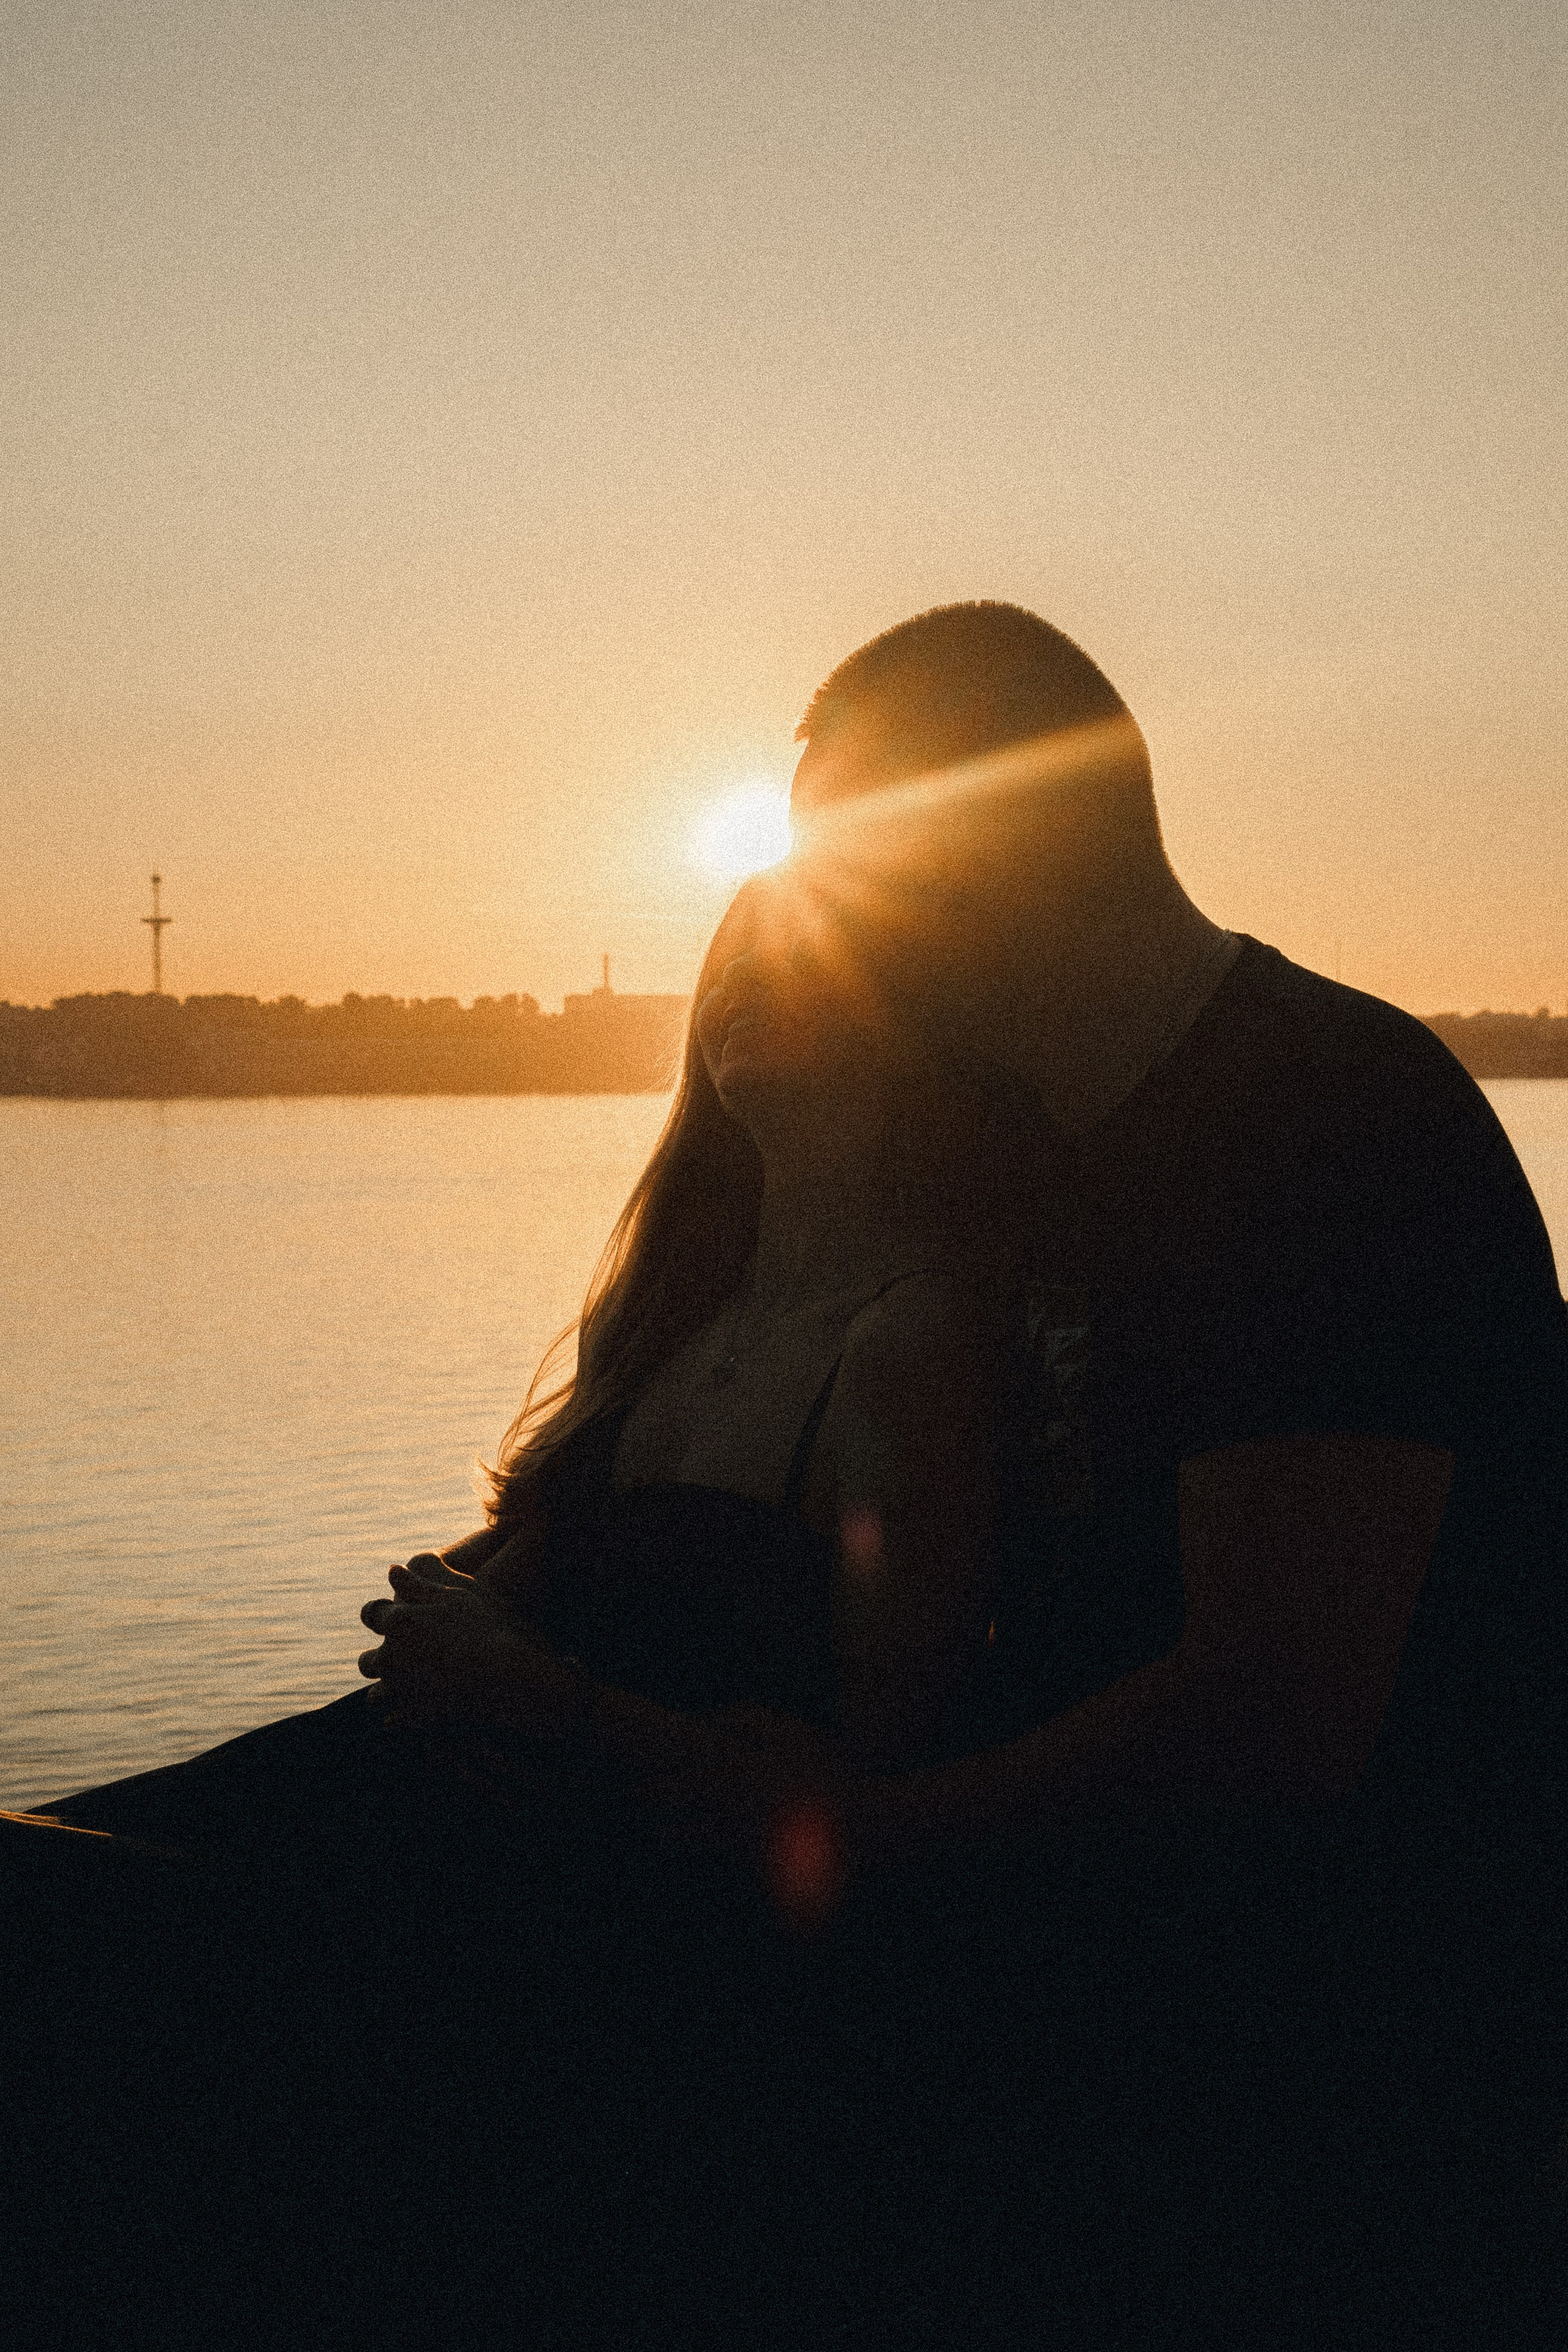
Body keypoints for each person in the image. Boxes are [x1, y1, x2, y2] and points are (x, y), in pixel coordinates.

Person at [20, 871, 1033, 2346]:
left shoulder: (906, 1343)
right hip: (414, 1790)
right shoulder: (677, 1306)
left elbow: (871, 1785)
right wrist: (462, 1605)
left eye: (812, 958)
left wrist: (536, 1695)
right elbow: (523, 1581)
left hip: (588, 1918)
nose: (754, 980)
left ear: (907, 1018)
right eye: (734, 951)